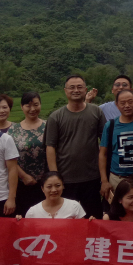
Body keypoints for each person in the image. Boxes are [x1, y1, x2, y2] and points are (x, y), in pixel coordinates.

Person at [45, 74, 106, 219]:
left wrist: (104, 176)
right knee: (65, 219)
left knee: (93, 219)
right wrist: (55, 176)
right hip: (65, 178)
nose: (76, 90)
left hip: (91, 177)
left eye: (79, 87)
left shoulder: (96, 112)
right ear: (65, 91)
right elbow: (50, 147)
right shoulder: (56, 117)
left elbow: (104, 144)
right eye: (72, 87)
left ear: (85, 89)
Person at [99, 89, 133, 201]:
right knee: (117, 210)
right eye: (122, 103)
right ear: (117, 105)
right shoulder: (110, 126)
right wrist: (104, 181)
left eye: (130, 102)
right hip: (116, 179)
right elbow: (102, 154)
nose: (127, 106)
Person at [9, 92, 47, 216]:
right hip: (22, 183)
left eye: (36, 104)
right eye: (28, 105)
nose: (32, 109)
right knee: (24, 216)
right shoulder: (13, 130)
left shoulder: (49, 126)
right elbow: (9, 158)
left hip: (47, 183)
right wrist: (24, 176)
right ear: (21, 107)